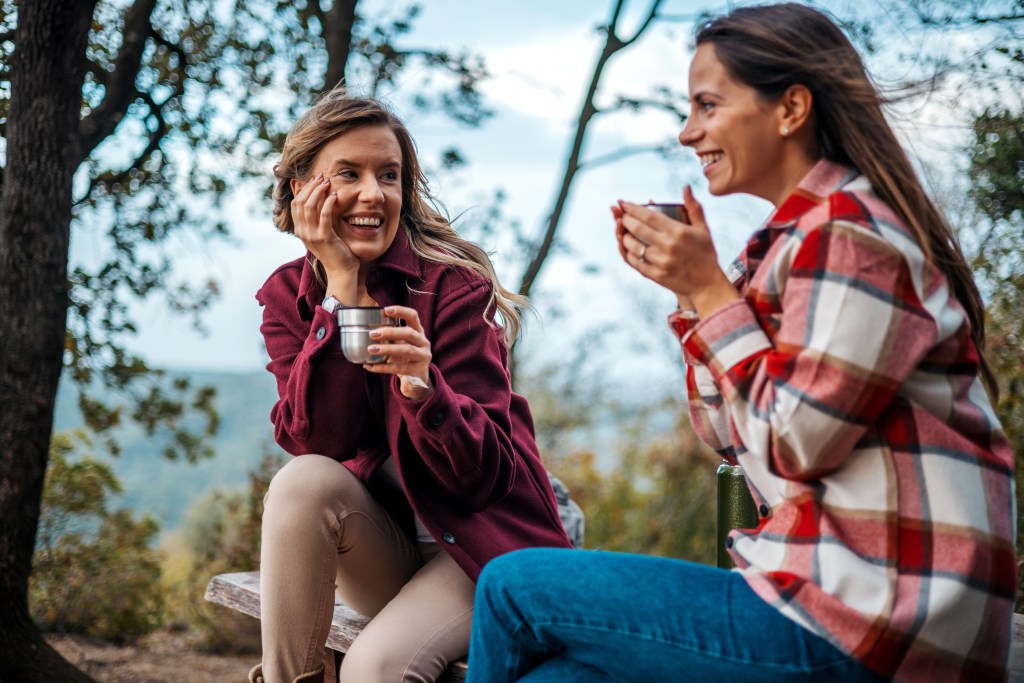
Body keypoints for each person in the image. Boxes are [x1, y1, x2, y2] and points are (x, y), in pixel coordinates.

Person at [466, 4, 1015, 683]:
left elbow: (796, 442)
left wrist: (714, 295)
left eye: (706, 105)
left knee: (512, 584)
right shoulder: (793, 243)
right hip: (832, 603)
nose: (686, 131)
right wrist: (695, 296)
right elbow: (733, 437)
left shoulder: (853, 236)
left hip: (876, 620)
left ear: (790, 108)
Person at [250, 90, 573, 683]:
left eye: (389, 175)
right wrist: (343, 290)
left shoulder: (452, 288)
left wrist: (426, 390)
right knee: (304, 481)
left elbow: (483, 477)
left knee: (373, 670)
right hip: (389, 554)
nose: (373, 194)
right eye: (348, 173)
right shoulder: (286, 297)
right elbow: (317, 441)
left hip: (482, 550)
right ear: (301, 188)